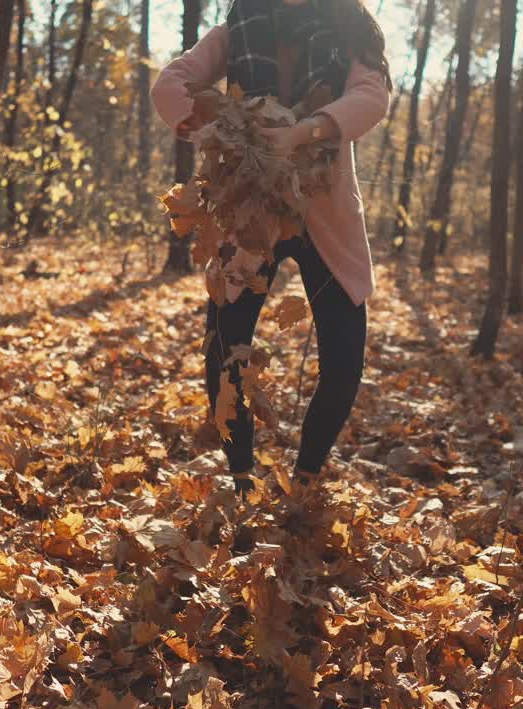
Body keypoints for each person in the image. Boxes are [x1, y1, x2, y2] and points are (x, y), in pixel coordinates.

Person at [151, 0, 391, 495]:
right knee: (224, 350)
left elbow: (372, 95)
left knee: (345, 362)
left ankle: (305, 478)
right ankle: (241, 477)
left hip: (326, 212)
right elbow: (169, 85)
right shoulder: (236, 28)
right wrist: (222, 133)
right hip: (250, 213)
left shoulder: (346, 25)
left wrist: (305, 132)